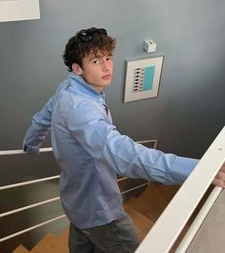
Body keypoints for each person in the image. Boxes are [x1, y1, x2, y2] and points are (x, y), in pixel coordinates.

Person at [23, 27, 225, 253]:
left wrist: (31, 145)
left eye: (108, 58)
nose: (107, 66)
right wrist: (198, 171)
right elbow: (125, 155)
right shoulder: (82, 111)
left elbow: (43, 117)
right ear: (78, 68)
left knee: (83, 243)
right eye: (96, 61)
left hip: (75, 200)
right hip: (100, 211)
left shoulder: (67, 89)